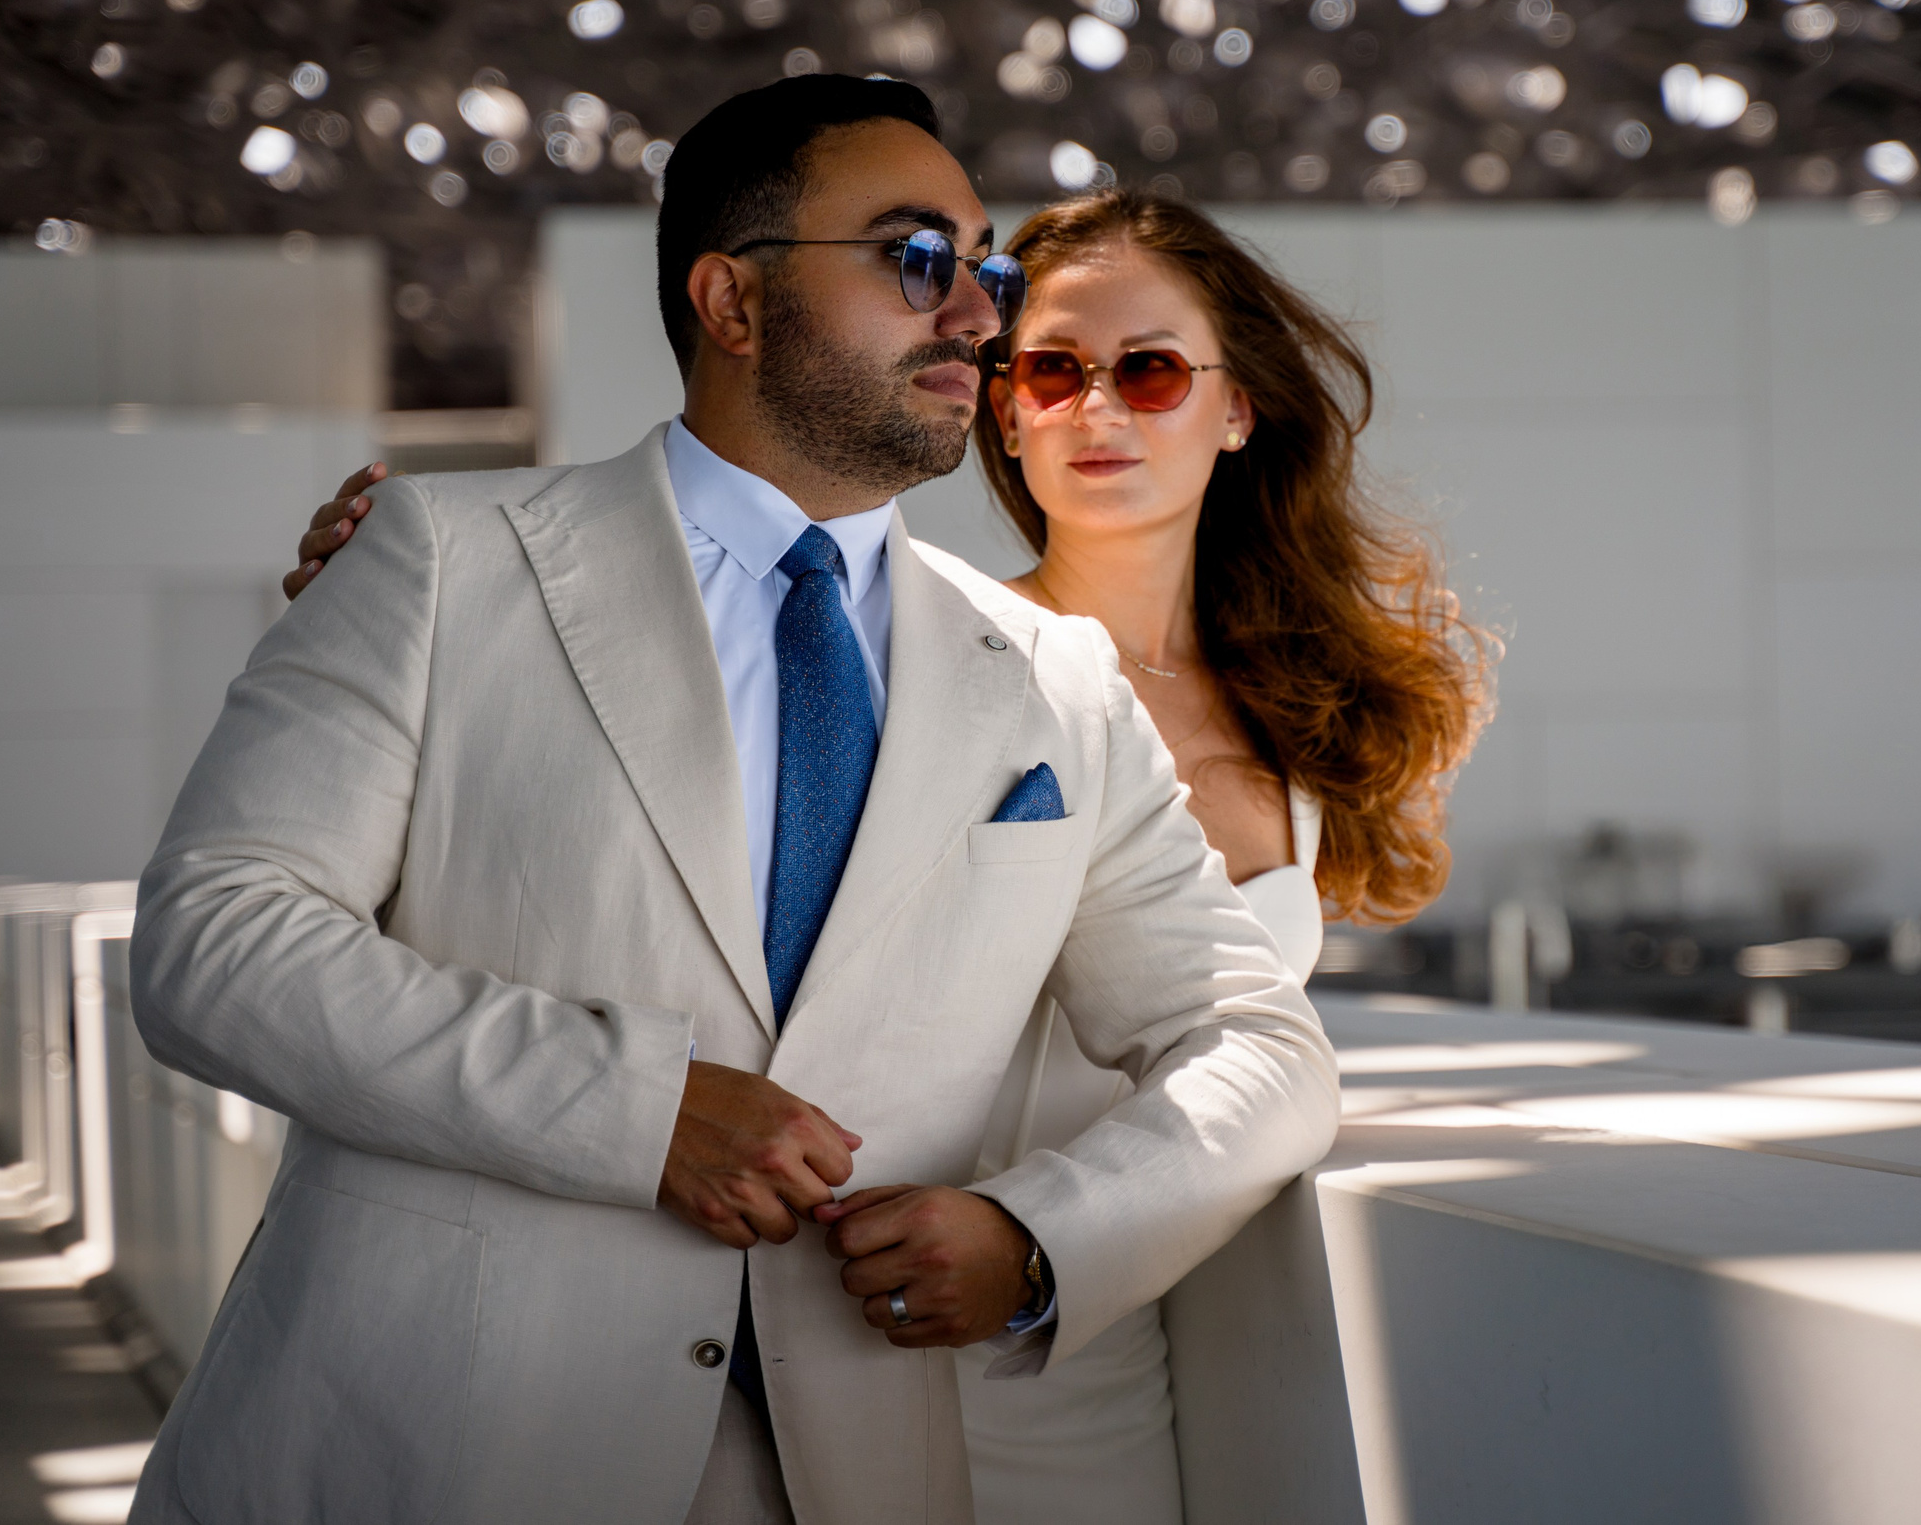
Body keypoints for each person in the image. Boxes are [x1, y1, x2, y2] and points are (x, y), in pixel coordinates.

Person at [127, 76, 1339, 1525]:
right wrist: (636, 1111)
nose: (976, 314)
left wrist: (1039, 1238)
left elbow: (1255, 1042)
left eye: (987, 270)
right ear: (733, 300)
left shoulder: (1054, 682)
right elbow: (217, 943)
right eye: (916, 260)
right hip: (434, 1456)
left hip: (865, 1459)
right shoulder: (440, 560)